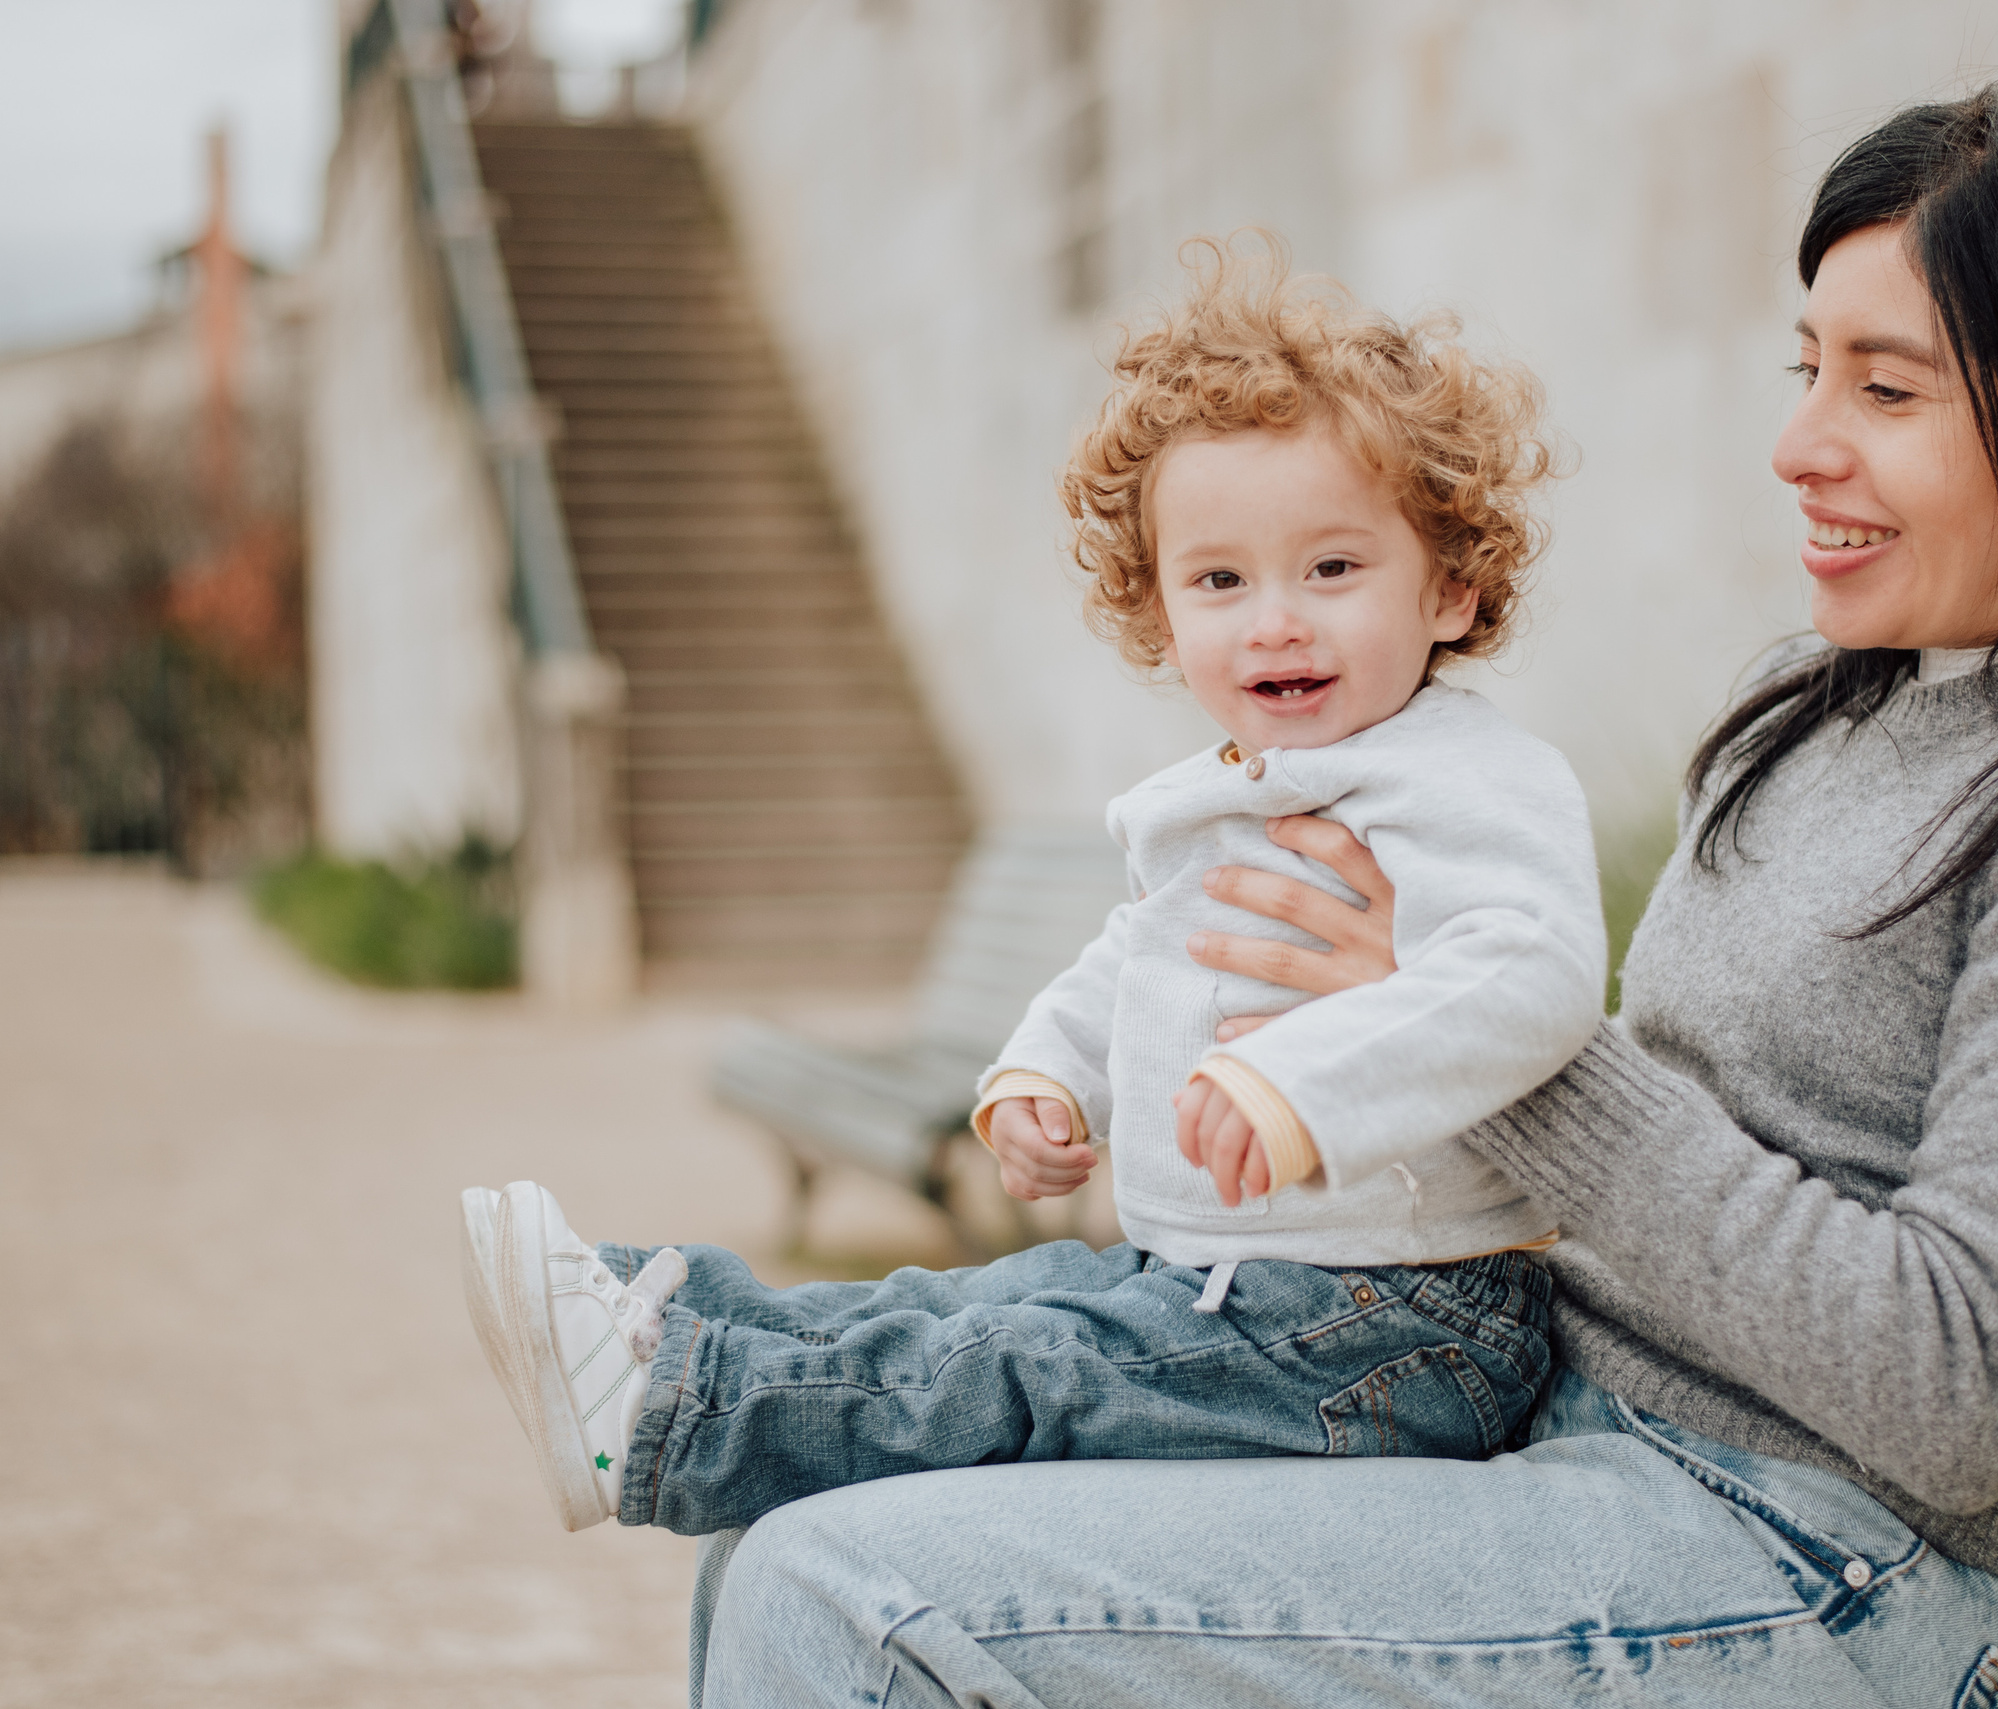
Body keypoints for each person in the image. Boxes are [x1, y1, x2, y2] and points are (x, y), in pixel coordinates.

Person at [675, 81, 1998, 1708]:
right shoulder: (1829, 711)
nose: (1801, 444)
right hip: (1566, 1441)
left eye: (1887, 391)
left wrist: (1486, 1031)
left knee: (845, 1594)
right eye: (1804, 366)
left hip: (1842, 1570)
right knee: (778, 1531)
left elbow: (1961, 1390)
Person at [458, 242, 1609, 1537]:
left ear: (1450, 585)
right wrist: (1049, 1070)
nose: (1274, 619)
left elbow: (1532, 972)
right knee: (965, 1307)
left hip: (1405, 1322)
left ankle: (670, 1416)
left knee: (1021, 1366)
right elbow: (1137, 952)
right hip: (1241, 1286)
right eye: (1220, 580)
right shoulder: (1228, 790)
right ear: (1161, 612)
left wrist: (1306, 1083)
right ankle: (652, 1317)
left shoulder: (1466, 778)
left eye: (1333, 569)